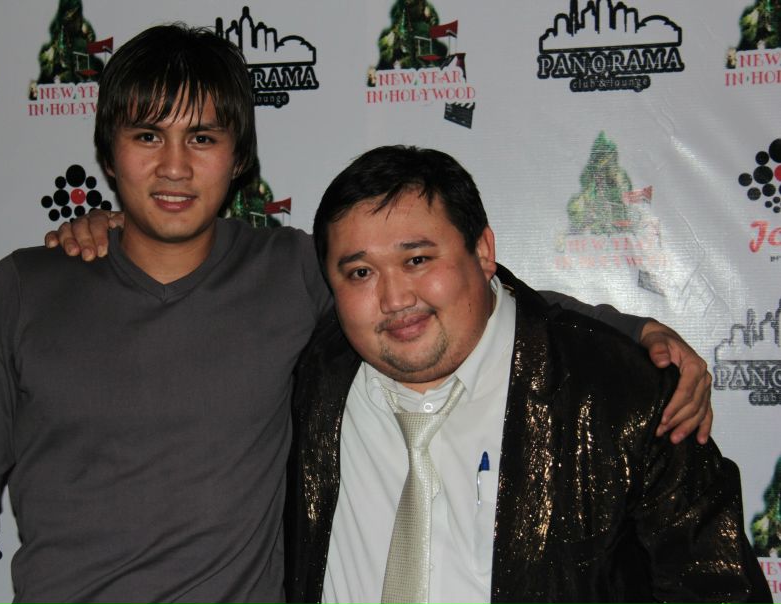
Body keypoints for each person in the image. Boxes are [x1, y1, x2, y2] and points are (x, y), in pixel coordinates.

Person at [0, 23, 709, 604]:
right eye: (147, 135)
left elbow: (456, 290)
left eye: (203, 138)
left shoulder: (292, 273)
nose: (175, 166)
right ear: (108, 151)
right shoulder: (25, 289)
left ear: (238, 157)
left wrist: (632, 330)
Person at [285, 145, 770, 604]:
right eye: (361, 273)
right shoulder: (309, 373)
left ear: (483, 251)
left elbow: (720, 590)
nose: (394, 299)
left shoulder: (624, 397)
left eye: (417, 260)